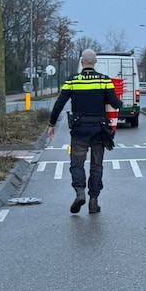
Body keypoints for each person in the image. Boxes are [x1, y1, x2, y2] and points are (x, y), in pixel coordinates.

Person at [48, 49, 122, 214]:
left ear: (82, 62)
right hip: (99, 130)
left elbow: (60, 103)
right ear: (95, 62)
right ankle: (93, 202)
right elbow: (115, 103)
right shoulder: (104, 80)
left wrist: (51, 123)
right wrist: (119, 102)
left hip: (79, 130)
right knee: (97, 166)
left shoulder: (72, 81)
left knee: (77, 163)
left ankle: (80, 192)